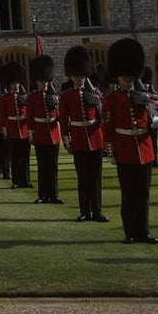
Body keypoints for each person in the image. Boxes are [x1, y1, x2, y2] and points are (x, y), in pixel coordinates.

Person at [103, 37, 158, 244]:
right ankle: (130, 232)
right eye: (125, 78)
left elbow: (152, 117)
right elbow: (108, 127)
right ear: (119, 78)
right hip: (124, 149)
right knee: (128, 194)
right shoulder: (111, 98)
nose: (128, 80)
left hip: (144, 149)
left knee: (143, 193)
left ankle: (144, 231)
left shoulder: (142, 96)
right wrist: (110, 151)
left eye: (131, 77)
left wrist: (155, 122)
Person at [59, 46, 107, 222]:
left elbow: (103, 116)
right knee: (83, 178)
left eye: (81, 76)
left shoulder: (94, 93)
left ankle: (97, 211)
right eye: (76, 76)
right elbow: (64, 120)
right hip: (78, 140)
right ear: (71, 77)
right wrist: (67, 140)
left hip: (95, 139)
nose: (79, 79)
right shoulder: (66, 96)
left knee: (96, 178)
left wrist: (96, 123)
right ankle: (84, 211)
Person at [27, 54, 63, 204]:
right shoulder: (32, 97)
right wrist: (31, 133)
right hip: (40, 133)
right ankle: (43, 194)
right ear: (37, 81)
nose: (45, 84)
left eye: (46, 81)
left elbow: (61, 114)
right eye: (42, 81)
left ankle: (53, 194)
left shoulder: (55, 97)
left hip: (53, 134)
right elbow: (30, 117)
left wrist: (55, 119)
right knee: (42, 166)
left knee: (53, 167)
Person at [1, 62, 32, 189]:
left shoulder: (25, 97)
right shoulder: (5, 98)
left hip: (24, 129)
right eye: (13, 84)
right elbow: (3, 115)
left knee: (25, 157)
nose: (15, 86)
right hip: (13, 129)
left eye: (17, 84)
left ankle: (26, 180)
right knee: (14, 157)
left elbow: (29, 112)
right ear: (10, 85)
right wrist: (4, 129)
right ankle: (16, 181)